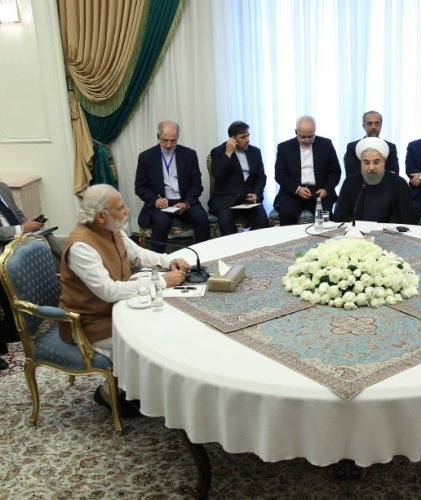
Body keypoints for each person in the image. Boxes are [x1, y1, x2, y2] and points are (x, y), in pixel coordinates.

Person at [59, 184, 190, 416]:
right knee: (152, 337)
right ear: (101, 216)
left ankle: (140, 390)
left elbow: (138, 255)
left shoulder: (111, 228)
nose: (127, 210)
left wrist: (169, 261)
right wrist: (162, 282)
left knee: (168, 321)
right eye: (120, 208)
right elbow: (108, 291)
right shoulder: (81, 246)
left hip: (116, 309)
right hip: (90, 322)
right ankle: (107, 394)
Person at [0, 181, 63, 370]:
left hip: (17, 237)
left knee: (47, 237)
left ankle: (73, 265)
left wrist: (31, 225)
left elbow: (18, 215)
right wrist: (22, 229)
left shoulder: (3, 187)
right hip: (3, 245)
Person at [134, 120, 211, 253]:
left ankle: (204, 256)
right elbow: (140, 187)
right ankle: (157, 260)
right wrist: (155, 200)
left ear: (178, 138)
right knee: (162, 223)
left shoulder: (189, 154)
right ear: (158, 137)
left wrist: (186, 203)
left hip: (184, 200)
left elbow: (196, 185)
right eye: (165, 140)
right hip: (161, 203)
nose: (169, 145)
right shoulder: (146, 157)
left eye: (173, 141)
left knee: (201, 218)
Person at [273, 116, 341, 226]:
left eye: (310, 136)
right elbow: (279, 174)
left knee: (325, 216)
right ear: (296, 132)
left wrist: (326, 189)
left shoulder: (326, 144)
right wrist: (297, 189)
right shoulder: (284, 147)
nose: (307, 140)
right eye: (303, 137)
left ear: (315, 131)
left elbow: (336, 172)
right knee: (286, 214)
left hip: (319, 191)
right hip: (294, 192)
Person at [334, 137, 416, 224]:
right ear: (361, 162)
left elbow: (408, 221)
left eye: (376, 162)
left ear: (384, 161)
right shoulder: (350, 183)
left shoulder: (399, 184)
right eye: (366, 162)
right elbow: (339, 218)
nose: (371, 167)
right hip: (357, 232)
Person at [208, 120, 269, 235]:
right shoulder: (218, 151)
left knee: (262, 220)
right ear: (232, 139)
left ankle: (252, 244)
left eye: (248, 136)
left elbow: (261, 177)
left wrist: (256, 193)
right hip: (226, 200)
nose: (247, 140)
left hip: (248, 199)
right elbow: (217, 174)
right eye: (243, 137)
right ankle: (234, 246)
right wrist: (228, 153)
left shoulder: (255, 152)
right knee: (226, 224)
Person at [343, 110, 399, 177]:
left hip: (385, 183)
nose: (373, 127)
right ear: (364, 126)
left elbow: (394, 173)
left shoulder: (390, 147)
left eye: (377, 123)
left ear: (381, 125)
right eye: (370, 123)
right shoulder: (352, 147)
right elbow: (351, 175)